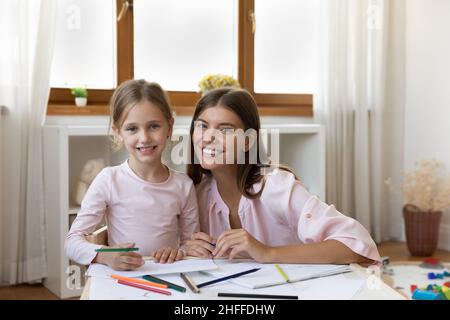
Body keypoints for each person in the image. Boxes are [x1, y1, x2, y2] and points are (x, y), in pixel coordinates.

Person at [185, 87, 381, 265]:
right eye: (202, 126)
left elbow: (358, 245)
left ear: (247, 142)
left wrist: (267, 253)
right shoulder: (196, 193)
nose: (209, 137)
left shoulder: (276, 186)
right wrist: (188, 249)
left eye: (225, 130)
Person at [65, 80, 199, 270]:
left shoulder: (184, 186)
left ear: (170, 126)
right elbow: (71, 243)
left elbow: (191, 244)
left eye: (154, 126)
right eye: (132, 128)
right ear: (118, 131)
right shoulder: (108, 180)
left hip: (166, 277)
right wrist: (105, 256)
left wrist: (180, 251)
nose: (144, 138)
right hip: (123, 280)